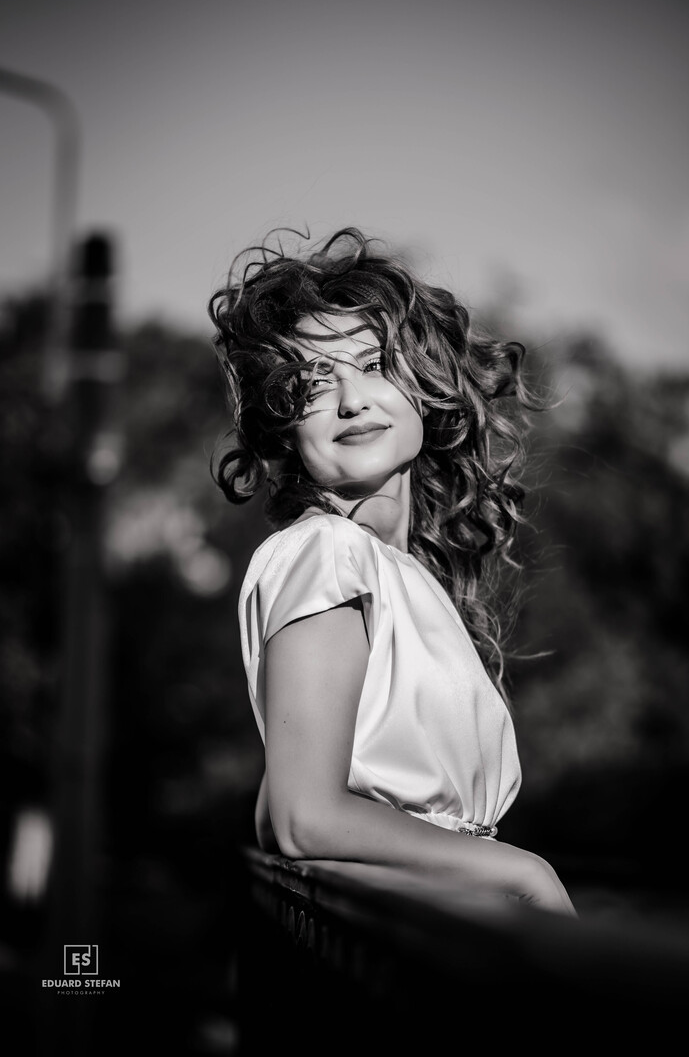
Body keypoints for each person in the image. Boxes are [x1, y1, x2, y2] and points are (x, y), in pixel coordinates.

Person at [209, 227, 576, 917]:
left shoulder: (393, 572)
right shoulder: (325, 553)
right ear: (282, 425)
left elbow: (275, 804)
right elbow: (300, 817)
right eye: (312, 382)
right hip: (413, 942)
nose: (350, 399)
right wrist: (523, 872)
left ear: (422, 387)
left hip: (442, 934)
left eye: (372, 364)